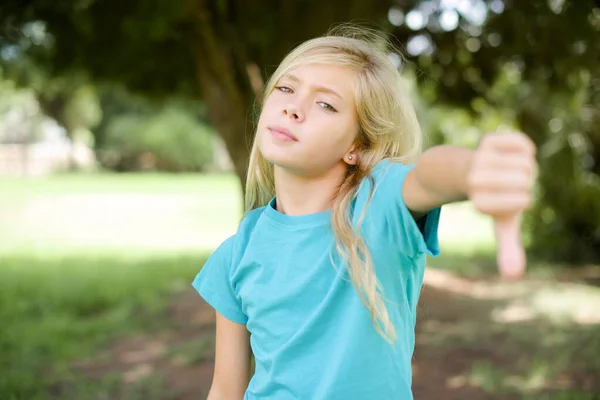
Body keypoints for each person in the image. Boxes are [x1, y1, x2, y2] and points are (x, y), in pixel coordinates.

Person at [192, 25, 537, 400]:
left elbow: (428, 176)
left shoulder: (377, 208)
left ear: (356, 146)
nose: (293, 107)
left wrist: (472, 170)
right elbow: (225, 389)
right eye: (287, 88)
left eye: (326, 104)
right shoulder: (237, 251)